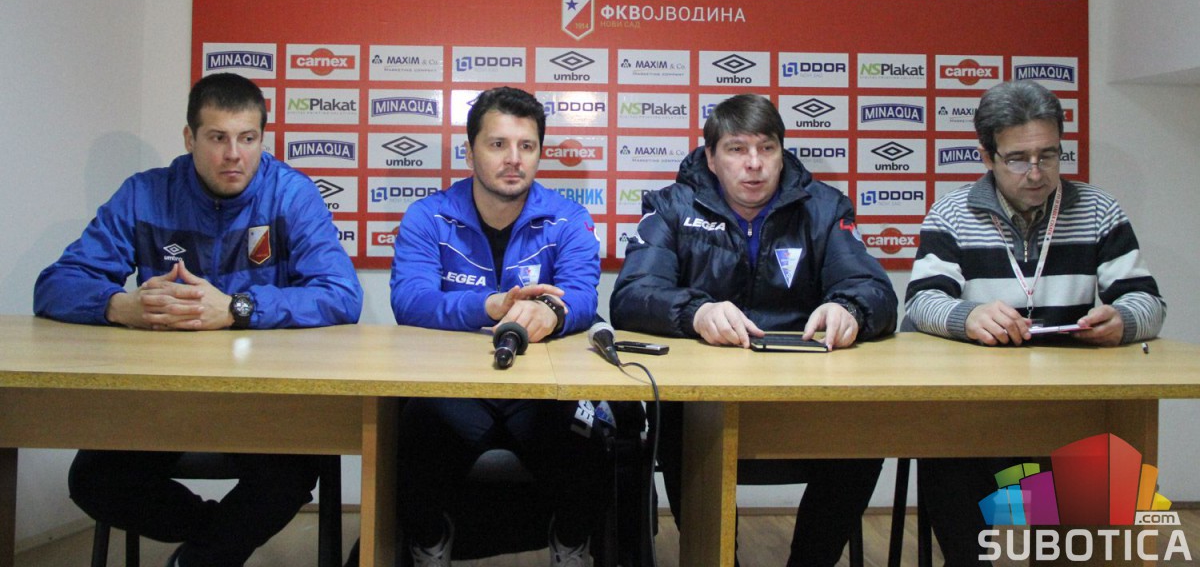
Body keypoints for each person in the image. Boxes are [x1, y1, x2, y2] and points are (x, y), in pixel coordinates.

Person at [34, 72, 363, 567]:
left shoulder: (290, 195)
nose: (234, 155)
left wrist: (235, 309)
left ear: (263, 138)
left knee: (293, 473)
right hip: (165, 394)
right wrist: (120, 306)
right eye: (217, 138)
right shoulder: (144, 194)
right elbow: (55, 284)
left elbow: (341, 294)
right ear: (190, 139)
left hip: (262, 395)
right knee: (93, 479)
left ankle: (197, 560)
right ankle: (215, 544)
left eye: (247, 138)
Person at [611, 93, 898, 567]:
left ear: (782, 153)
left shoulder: (824, 208)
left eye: (767, 148)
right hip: (703, 403)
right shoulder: (671, 206)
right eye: (737, 149)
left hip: (803, 399)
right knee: (679, 425)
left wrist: (849, 308)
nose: (754, 164)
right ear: (711, 157)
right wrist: (696, 312)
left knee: (862, 436)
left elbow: (876, 291)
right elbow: (631, 296)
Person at [904, 79, 1165, 565]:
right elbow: (921, 302)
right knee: (949, 462)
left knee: (1090, 498)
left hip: (1069, 407)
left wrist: (1123, 320)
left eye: (1048, 155)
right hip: (975, 408)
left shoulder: (1098, 210)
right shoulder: (953, 213)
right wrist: (968, 316)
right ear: (987, 157)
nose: (1037, 172)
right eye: (1018, 159)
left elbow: (1148, 302)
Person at [390, 86, 604, 567]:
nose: (513, 159)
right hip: (453, 390)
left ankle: (570, 543)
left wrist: (554, 314)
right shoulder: (428, 216)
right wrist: (488, 306)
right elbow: (409, 301)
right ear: (470, 153)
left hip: (542, 391)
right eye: (498, 144)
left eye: (527, 146)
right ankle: (430, 542)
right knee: (409, 441)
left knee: (590, 445)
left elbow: (584, 296)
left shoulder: (568, 218)